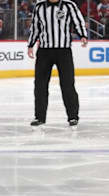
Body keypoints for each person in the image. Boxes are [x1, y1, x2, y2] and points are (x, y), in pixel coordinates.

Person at [27, 0, 87, 128]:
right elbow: (35, 26)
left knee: (67, 84)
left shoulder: (68, 5)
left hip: (63, 51)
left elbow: (77, 20)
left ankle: (73, 116)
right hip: (44, 51)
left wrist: (82, 35)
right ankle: (39, 117)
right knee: (40, 85)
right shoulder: (39, 6)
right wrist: (31, 44)